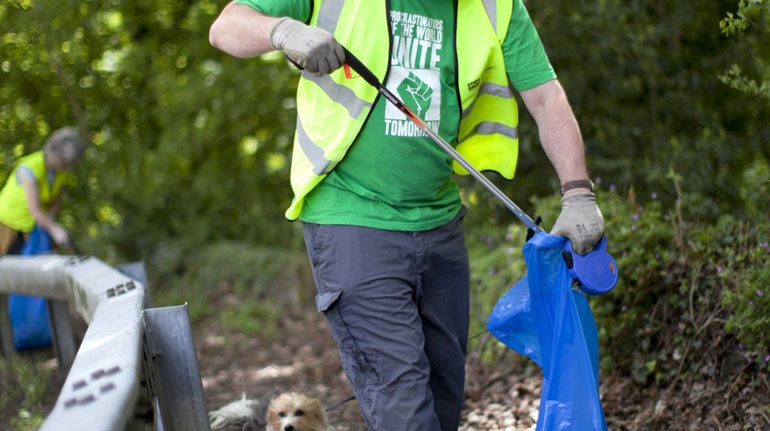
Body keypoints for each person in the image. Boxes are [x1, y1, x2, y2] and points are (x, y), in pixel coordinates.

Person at [209, 1, 605, 429]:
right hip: (351, 218)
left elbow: (545, 95)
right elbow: (227, 27)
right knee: (404, 404)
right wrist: (282, 30)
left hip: (440, 223)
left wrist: (578, 193)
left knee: (444, 396)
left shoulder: (498, 6)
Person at [0, 126, 84, 256]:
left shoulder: (60, 173)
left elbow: (55, 203)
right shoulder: (29, 169)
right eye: (65, 163)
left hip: (33, 226)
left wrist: (48, 222)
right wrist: (54, 229)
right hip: (9, 224)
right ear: (56, 154)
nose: (67, 167)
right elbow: (34, 209)